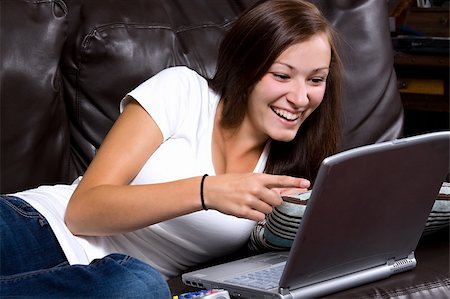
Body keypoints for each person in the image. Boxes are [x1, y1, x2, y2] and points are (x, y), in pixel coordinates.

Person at [0, 0, 342, 297]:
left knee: (141, 287)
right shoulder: (182, 91)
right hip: (37, 228)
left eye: (316, 80)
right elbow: (81, 211)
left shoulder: (291, 172)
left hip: (106, 283)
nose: (300, 98)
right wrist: (206, 190)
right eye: (282, 76)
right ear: (245, 67)